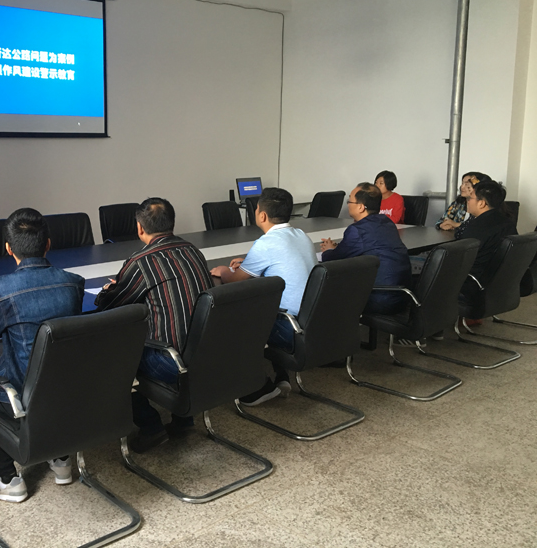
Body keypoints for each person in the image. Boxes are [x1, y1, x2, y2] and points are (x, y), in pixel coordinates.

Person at [0, 208, 85, 503]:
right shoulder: (74, 282)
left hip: (25, 389)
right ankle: (61, 460)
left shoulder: (1, 289)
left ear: (8, 249)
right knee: (52, 376)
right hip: (67, 383)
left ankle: (8, 479)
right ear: (48, 244)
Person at [95, 198, 213, 452]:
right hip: (208, 355)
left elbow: (111, 304)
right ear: (172, 222)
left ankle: (151, 428)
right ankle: (183, 420)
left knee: (110, 359)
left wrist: (108, 289)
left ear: (140, 228)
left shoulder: (141, 261)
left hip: (172, 364)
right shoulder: (193, 250)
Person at [210, 187, 317, 405]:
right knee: (270, 306)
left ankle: (258, 388)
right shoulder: (301, 235)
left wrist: (223, 271)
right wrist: (250, 263)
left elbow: (234, 280)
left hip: (291, 328)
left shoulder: (266, 243)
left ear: (262, 216)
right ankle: (281, 376)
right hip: (313, 322)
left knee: (235, 322)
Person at [321, 183, 411, 315]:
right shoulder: (387, 223)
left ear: (361, 207)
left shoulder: (357, 230)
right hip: (403, 296)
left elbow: (332, 260)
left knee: (328, 288)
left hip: (379, 298)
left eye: (350, 201)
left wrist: (328, 250)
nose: (348, 204)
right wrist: (338, 247)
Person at [458, 180, 518, 307]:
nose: (467, 201)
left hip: (472, 286)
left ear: (482, 203)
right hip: (499, 285)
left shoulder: (477, 227)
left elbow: (461, 261)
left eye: (470, 198)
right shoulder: (507, 223)